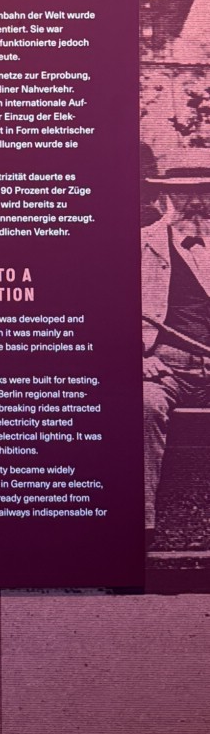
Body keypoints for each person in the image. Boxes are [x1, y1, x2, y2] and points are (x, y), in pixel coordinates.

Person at [141, 147, 210, 547]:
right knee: (144, 404)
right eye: (186, 191)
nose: (197, 201)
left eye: (205, 191)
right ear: (165, 195)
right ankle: (142, 524)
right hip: (165, 369)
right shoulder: (139, 246)